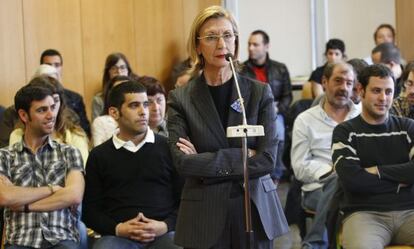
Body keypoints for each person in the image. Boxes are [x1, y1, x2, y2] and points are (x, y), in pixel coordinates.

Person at [167, 5, 288, 249]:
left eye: (228, 35)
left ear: (236, 41)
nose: (221, 43)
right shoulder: (180, 99)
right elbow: (183, 162)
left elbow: (267, 159)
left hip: (254, 207)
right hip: (205, 212)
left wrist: (204, 160)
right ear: (198, 46)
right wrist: (244, 155)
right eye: (211, 37)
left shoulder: (258, 92)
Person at [83, 80, 182, 249]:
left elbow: (185, 200)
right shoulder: (99, 155)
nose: (144, 111)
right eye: (134, 106)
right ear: (114, 112)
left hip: (164, 234)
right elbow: (90, 211)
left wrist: (164, 226)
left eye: (145, 104)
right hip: (118, 236)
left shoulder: (169, 148)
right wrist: (118, 229)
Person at [332, 64, 414, 248]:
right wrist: (402, 180)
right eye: (376, 91)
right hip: (364, 214)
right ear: (361, 90)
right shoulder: (345, 132)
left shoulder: (408, 127)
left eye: (388, 91)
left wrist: (377, 171)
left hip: (410, 211)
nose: (383, 98)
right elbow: (352, 181)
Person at [0, 79, 85, 249]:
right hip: (20, 240)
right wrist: (52, 189)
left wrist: (23, 205)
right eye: (42, 110)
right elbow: (5, 197)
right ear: (24, 116)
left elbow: (73, 196)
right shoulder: (4, 156)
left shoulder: (70, 152)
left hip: (61, 238)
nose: (51, 115)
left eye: (53, 107)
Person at [291, 62, 360, 248]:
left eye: (349, 83)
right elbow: (299, 166)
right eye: (338, 81)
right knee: (338, 179)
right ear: (324, 82)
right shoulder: (305, 120)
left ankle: (314, 243)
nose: (344, 88)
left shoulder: (362, 116)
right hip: (317, 189)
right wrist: (331, 171)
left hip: (360, 186)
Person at [241, 29, 292, 182]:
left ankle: (274, 175)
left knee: (278, 131)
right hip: (250, 113)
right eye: (249, 44)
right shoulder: (240, 70)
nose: (250, 48)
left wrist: (277, 109)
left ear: (266, 46)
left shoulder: (280, 68)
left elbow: (287, 96)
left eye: (255, 44)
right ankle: (254, 173)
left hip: (275, 111)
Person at [9, 74, 89, 167]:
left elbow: (80, 176)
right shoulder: (17, 135)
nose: (51, 114)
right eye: (42, 108)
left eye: (55, 101)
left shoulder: (75, 136)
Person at [40, 49, 91, 136]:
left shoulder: (75, 98)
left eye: (57, 65)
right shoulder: (32, 99)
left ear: (61, 67)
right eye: (48, 65)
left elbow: (85, 130)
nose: (53, 68)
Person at [92, 52, 139, 121]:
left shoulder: (139, 94)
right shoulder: (99, 100)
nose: (119, 72)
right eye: (114, 68)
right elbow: (96, 126)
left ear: (128, 71)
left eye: (122, 67)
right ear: (108, 73)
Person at [91, 75, 130, 147]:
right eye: (118, 90)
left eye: (127, 89)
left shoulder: (140, 116)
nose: (123, 94)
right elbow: (99, 152)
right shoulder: (100, 122)